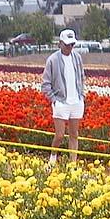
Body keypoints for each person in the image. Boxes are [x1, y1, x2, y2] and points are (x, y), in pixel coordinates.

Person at [41, 29, 86, 164]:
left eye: (72, 44)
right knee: (59, 135)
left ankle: (73, 164)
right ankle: (52, 158)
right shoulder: (53, 60)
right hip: (61, 102)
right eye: (67, 44)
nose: (70, 47)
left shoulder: (77, 57)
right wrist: (54, 100)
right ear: (60, 43)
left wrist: (81, 95)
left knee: (74, 135)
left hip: (76, 101)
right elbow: (45, 84)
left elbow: (82, 77)